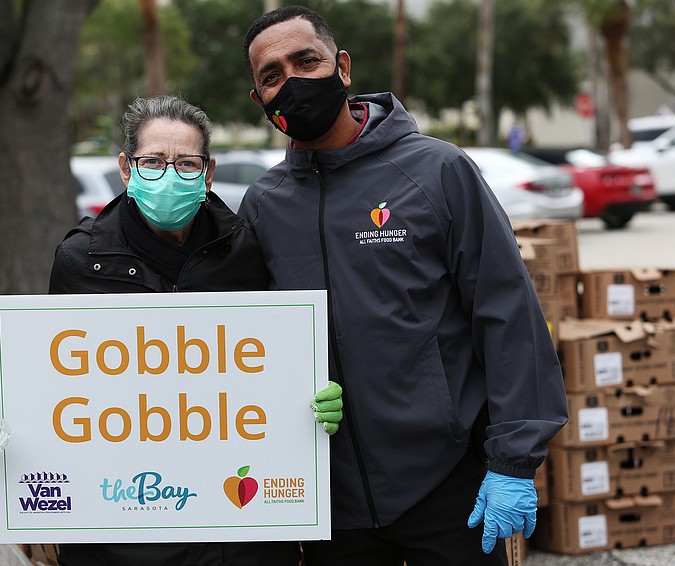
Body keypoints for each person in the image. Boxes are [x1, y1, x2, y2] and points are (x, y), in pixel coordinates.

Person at [0, 94, 343, 566]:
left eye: (187, 163)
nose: (170, 176)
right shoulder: (80, 260)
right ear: (126, 169)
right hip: (118, 539)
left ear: (209, 172)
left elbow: (271, 366)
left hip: (234, 539)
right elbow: (58, 386)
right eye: (153, 161)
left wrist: (311, 400)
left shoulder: (246, 250)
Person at [239, 6, 568, 565]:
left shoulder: (438, 171)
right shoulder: (264, 207)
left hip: (447, 487)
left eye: (306, 61)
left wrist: (513, 461)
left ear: (342, 67)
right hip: (331, 503)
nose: (291, 82)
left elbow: (507, 314)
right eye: (272, 75)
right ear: (259, 101)